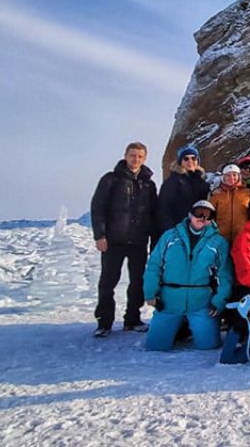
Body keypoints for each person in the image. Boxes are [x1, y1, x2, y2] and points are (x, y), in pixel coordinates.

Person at [143, 200, 234, 351]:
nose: (202, 218)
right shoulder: (170, 237)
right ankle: (177, 328)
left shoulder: (218, 243)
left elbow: (225, 275)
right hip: (170, 300)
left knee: (208, 346)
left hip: (200, 301)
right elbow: (153, 266)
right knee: (156, 347)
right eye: (199, 213)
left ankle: (192, 328)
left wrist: (219, 301)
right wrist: (150, 292)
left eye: (207, 215)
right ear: (190, 214)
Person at [90, 142, 157, 337]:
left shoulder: (148, 184)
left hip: (138, 240)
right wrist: (100, 235)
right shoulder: (111, 180)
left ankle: (132, 319)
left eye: (139, 156)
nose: (135, 159)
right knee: (108, 282)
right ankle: (104, 322)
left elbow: (153, 214)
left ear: (144, 159)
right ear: (125, 156)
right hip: (114, 240)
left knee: (137, 281)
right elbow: (98, 208)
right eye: (132, 155)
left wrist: (154, 241)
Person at [155, 145, 210, 241]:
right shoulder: (173, 181)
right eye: (186, 158)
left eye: (193, 158)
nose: (190, 161)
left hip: (198, 231)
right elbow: (164, 208)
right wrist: (170, 230)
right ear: (180, 162)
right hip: (178, 231)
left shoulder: (203, 183)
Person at [209, 163, 250, 245]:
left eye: (234, 175)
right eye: (228, 175)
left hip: (242, 238)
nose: (231, 178)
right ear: (223, 177)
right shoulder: (217, 194)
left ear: (239, 176)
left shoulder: (247, 193)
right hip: (220, 238)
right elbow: (209, 215)